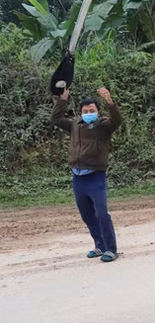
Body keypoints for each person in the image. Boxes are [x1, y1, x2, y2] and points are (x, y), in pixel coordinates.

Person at [51, 86, 122, 263]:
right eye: (85, 110)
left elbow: (117, 121)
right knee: (87, 214)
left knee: (102, 214)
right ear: (81, 112)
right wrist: (63, 100)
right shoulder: (75, 124)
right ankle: (99, 244)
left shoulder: (103, 125)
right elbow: (56, 119)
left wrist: (110, 102)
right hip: (78, 177)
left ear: (98, 112)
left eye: (92, 110)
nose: (88, 113)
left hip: (95, 176)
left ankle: (111, 249)